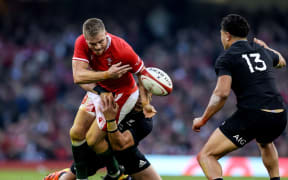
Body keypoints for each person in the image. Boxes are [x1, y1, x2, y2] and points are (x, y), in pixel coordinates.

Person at [192, 14, 287, 180]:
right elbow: (281, 61)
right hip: (279, 114)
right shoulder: (261, 50)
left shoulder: (226, 58)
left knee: (206, 156)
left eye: (221, 34)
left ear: (227, 35)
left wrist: (203, 119)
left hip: (254, 115)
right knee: (265, 142)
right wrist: (267, 48)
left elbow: (221, 94)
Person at [70, 17, 156, 180]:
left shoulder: (122, 50)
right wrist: (107, 74)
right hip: (100, 88)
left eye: (100, 42)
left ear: (106, 34)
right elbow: (77, 76)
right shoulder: (80, 42)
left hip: (122, 93)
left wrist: (145, 102)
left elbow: (143, 74)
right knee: (75, 133)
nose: (97, 47)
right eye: (92, 44)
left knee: (93, 140)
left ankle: (116, 174)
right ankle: (82, 178)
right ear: (85, 39)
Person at [44, 94, 161, 180]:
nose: (140, 100)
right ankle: (61, 176)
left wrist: (110, 120)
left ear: (150, 99)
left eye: (145, 96)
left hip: (125, 152)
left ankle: (115, 174)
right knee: (68, 178)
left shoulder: (146, 121)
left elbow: (120, 145)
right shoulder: (116, 99)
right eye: (138, 96)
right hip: (98, 149)